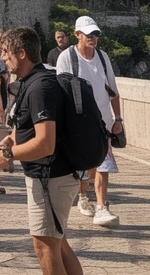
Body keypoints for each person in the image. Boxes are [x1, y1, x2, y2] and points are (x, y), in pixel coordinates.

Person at [0, 27, 81, 275]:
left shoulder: (40, 88)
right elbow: (27, 126)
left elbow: (45, 143)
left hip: (51, 177)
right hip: (52, 176)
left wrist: (6, 156)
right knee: (58, 244)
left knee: (44, 246)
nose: (2, 58)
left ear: (22, 53)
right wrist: (9, 141)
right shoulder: (33, 82)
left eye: (6, 52)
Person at [55, 16, 122, 228]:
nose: (93, 38)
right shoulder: (67, 58)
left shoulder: (103, 58)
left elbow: (113, 90)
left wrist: (118, 118)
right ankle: (83, 196)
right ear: (77, 35)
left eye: (96, 35)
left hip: (103, 120)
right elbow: (61, 90)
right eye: (89, 35)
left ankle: (102, 206)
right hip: (80, 121)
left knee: (103, 163)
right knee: (86, 165)